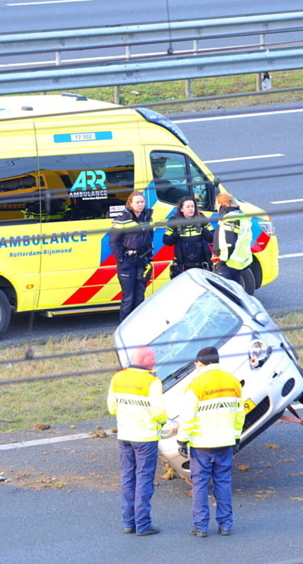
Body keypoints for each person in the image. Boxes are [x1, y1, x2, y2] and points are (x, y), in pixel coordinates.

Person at [177, 346, 245, 538]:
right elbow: (239, 413)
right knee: (223, 482)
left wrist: (183, 440)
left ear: (200, 362)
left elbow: (188, 416)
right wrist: (236, 436)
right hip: (225, 442)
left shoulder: (196, 383)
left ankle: (200, 527)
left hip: (202, 444)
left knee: (200, 484)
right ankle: (225, 525)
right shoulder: (232, 380)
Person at [107, 346, 168, 536]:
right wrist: (164, 422)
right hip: (146, 437)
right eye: (152, 359)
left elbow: (112, 408)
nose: (154, 362)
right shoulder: (152, 381)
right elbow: (159, 411)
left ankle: (129, 522)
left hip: (125, 435)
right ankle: (143, 525)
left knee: (127, 477)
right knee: (144, 479)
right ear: (142, 360)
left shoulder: (118, 377)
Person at [109, 191, 155, 322]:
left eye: (142, 202)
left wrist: (149, 258)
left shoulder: (147, 217)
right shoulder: (123, 218)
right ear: (130, 204)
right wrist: (121, 260)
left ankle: (138, 325)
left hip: (142, 260)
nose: (140, 205)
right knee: (128, 296)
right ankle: (124, 326)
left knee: (140, 296)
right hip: (127, 261)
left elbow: (150, 237)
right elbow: (113, 241)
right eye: (137, 202)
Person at [163, 196, 213, 279]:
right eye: (188, 207)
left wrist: (203, 230)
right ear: (182, 209)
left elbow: (212, 237)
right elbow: (166, 241)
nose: (191, 209)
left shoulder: (201, 218)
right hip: (183, 265)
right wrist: (177, 234)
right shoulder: (174, 220)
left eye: (192, 206)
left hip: (201, 264)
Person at [212, 193, 253, 286]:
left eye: (216, 203)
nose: (215, 206)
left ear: (222, 203)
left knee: (224, 291)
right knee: (235, 289)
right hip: (237, 261)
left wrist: (223, 260)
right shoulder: (240, 215)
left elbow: (229, 242)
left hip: (228, 262)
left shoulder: (229, 218)